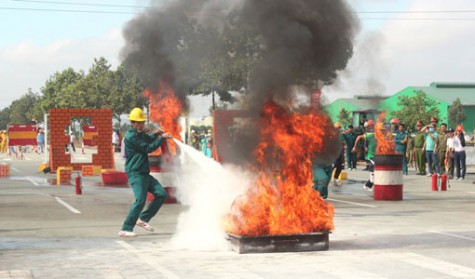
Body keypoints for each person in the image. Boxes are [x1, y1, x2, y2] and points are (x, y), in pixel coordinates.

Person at [118, 108, 172, 237]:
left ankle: (143, 219)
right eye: (138, 122)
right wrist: (162, 139)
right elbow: (148, 148)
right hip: (136, 173)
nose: (141, 124)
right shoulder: (131, 136)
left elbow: (147, 140)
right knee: (140, 201)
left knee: (161, 194)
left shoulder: (139, 134)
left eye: (142, 122)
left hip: (144, 173)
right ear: (132, 122)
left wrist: (156, 134)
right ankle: (126, 228)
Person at [352, 119, 376, 191]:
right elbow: (359, 137)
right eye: (370, 126)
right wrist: (355, 147)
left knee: (377, 171)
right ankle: (368, 185)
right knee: (373, 169)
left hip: (376, 155)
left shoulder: (374, 134)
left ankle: (367, 185)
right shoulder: (369, 134)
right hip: (370, 156)